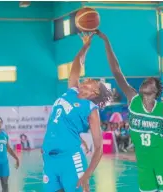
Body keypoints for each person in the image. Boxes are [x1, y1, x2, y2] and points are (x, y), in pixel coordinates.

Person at [96, 30, 163, 192]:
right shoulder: (133, 98)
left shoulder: (162, 109)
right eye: (144, 81)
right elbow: (116, 71)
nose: (144, 83)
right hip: (143, 160)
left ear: (155, 90)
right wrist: (106, 41)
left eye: (148, 82)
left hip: (161, 157)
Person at [42, 33, 112, 192]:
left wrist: (88, 174)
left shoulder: (90, 109)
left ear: (95, 93)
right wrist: (85, 46)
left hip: (71, 159)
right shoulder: (72, 91)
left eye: (90, 82)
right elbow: (76, 64)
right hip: (50, 158)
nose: (86, 80)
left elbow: (99, 147)